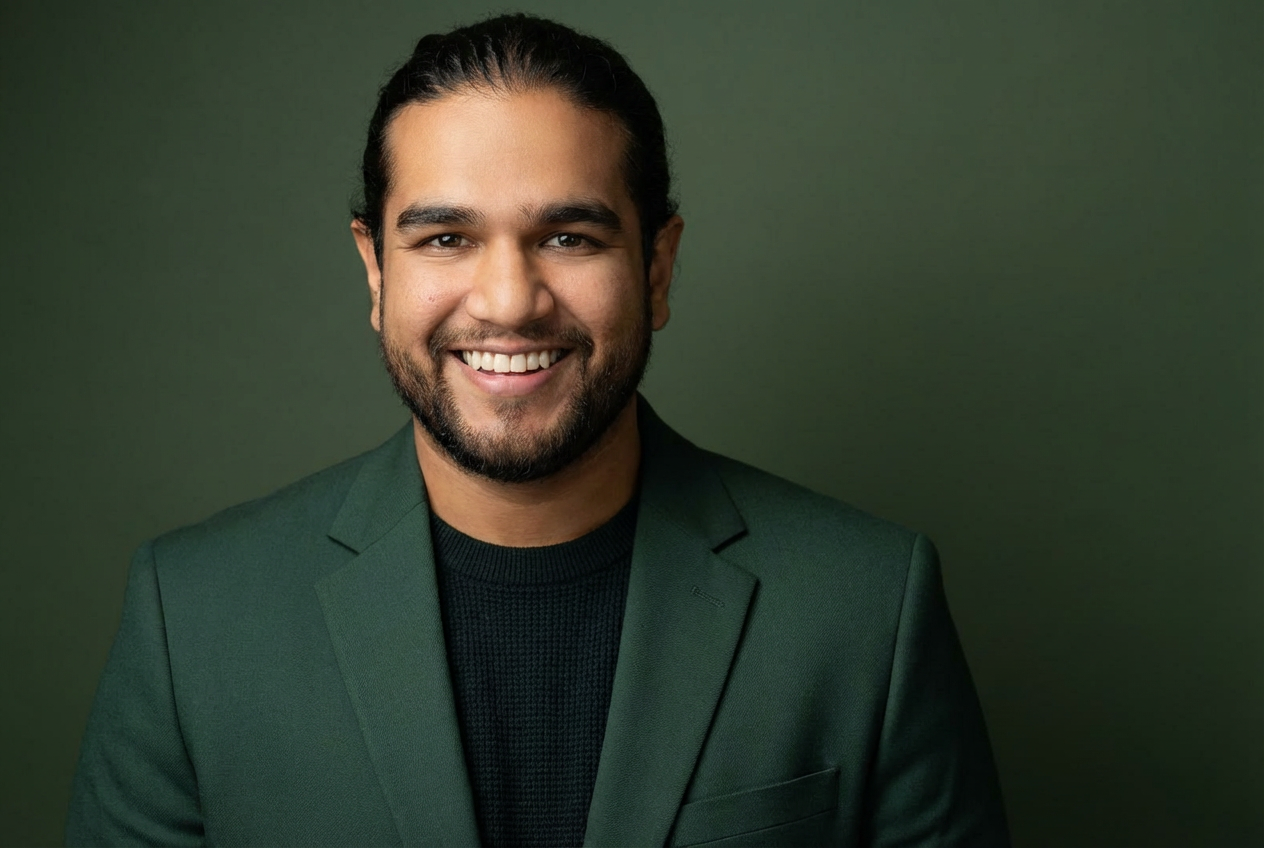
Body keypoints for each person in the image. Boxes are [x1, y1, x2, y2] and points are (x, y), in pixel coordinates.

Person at [67, 13, 1009, 847]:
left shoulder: (866, 609)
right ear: (374, 271)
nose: (509, 302)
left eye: (570, 236)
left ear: (658, 267)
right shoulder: (191, 621)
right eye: (445, 238)